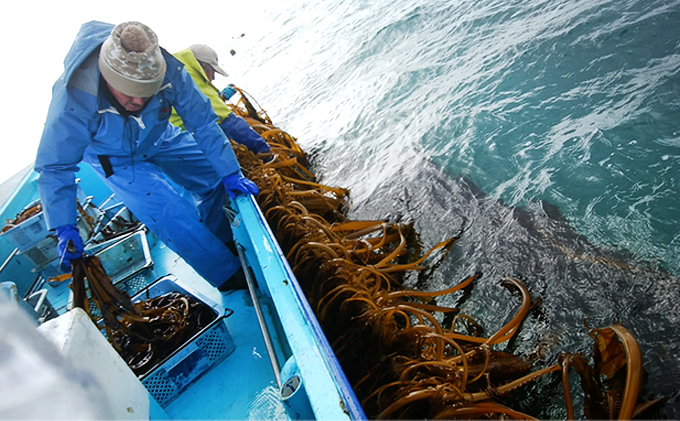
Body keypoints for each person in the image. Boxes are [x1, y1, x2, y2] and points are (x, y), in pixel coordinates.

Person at [34, 21, 259, 290]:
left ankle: (224, 240)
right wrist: (63, 225)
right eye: (129, 93)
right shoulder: (73, 99)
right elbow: (55, 166)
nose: (138, 102)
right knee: (166, 212)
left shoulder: (169, 70)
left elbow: (203, 124)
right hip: (113, 158)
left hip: (159, 134)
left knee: (213, 176)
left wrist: (230, 172)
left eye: (146, 93)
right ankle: (228, 275)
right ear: (107, 78)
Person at [170, 44, 271, 158]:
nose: (213, 78)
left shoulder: (175, 67)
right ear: (203, 67)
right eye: (213, 71)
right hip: (190, 143)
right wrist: (263, 150)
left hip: (172, 145)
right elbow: (228, 122)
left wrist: (219, 97)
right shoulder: (187, 76)